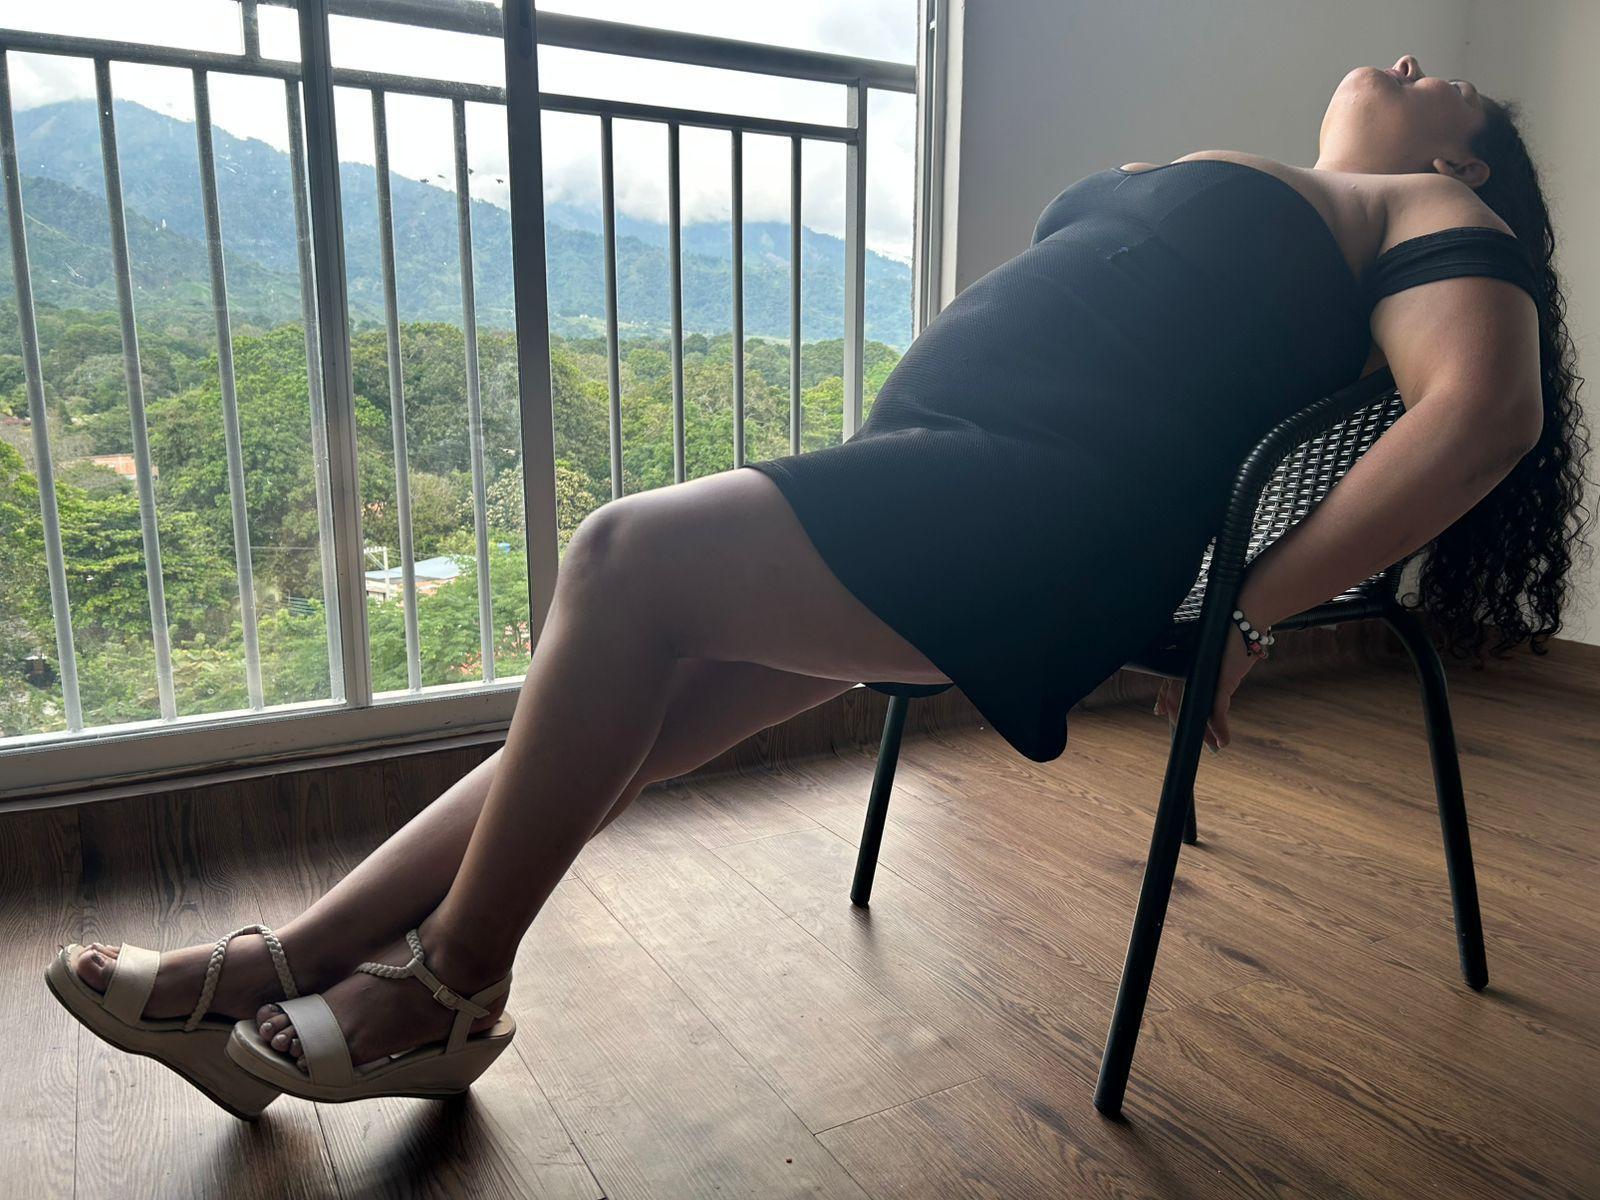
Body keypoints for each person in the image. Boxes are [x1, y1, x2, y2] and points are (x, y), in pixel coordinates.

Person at [48, 54, 1588, 1111]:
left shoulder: (1428, 212)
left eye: (1447, 80)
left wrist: (1244, 608)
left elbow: (1483, 415)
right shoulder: (1258, 175)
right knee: (618, 717)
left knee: (623, 556)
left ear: (1464, 158)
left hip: (1044, 518)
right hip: (950, 477)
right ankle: (292, 961)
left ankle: (448, 988)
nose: (1405, 58)